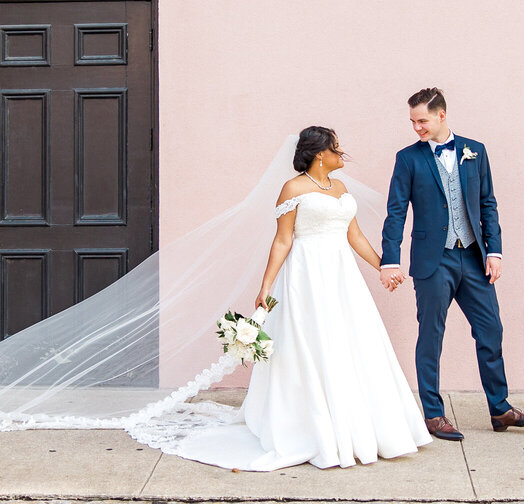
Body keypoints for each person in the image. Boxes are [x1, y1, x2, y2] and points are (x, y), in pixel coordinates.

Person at [167, 126, 432, 470]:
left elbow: (354, 235)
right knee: (312, 342)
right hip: (306, 275)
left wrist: (384, 266)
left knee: (351, 340)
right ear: (321, 153)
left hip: (342, 276)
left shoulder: (340, 187)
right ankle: (314, 427)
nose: (341, 155)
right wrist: (266, 286)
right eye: (336, 149)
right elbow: (283, 240)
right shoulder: (292, 189)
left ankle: (357, 425)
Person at [380, 88, 524, 441]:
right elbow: (396, 212)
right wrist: (389, 259)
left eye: (422, 120)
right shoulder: (408, 158)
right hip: (432, 260)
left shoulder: (475, 151)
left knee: (491, 329)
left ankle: (500, 408)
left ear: (441, 115)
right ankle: (434, 414)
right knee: (431, 337)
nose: (416, 128)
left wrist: (494, 251)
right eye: (412, 121)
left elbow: (488, 203)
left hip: (471, 257)